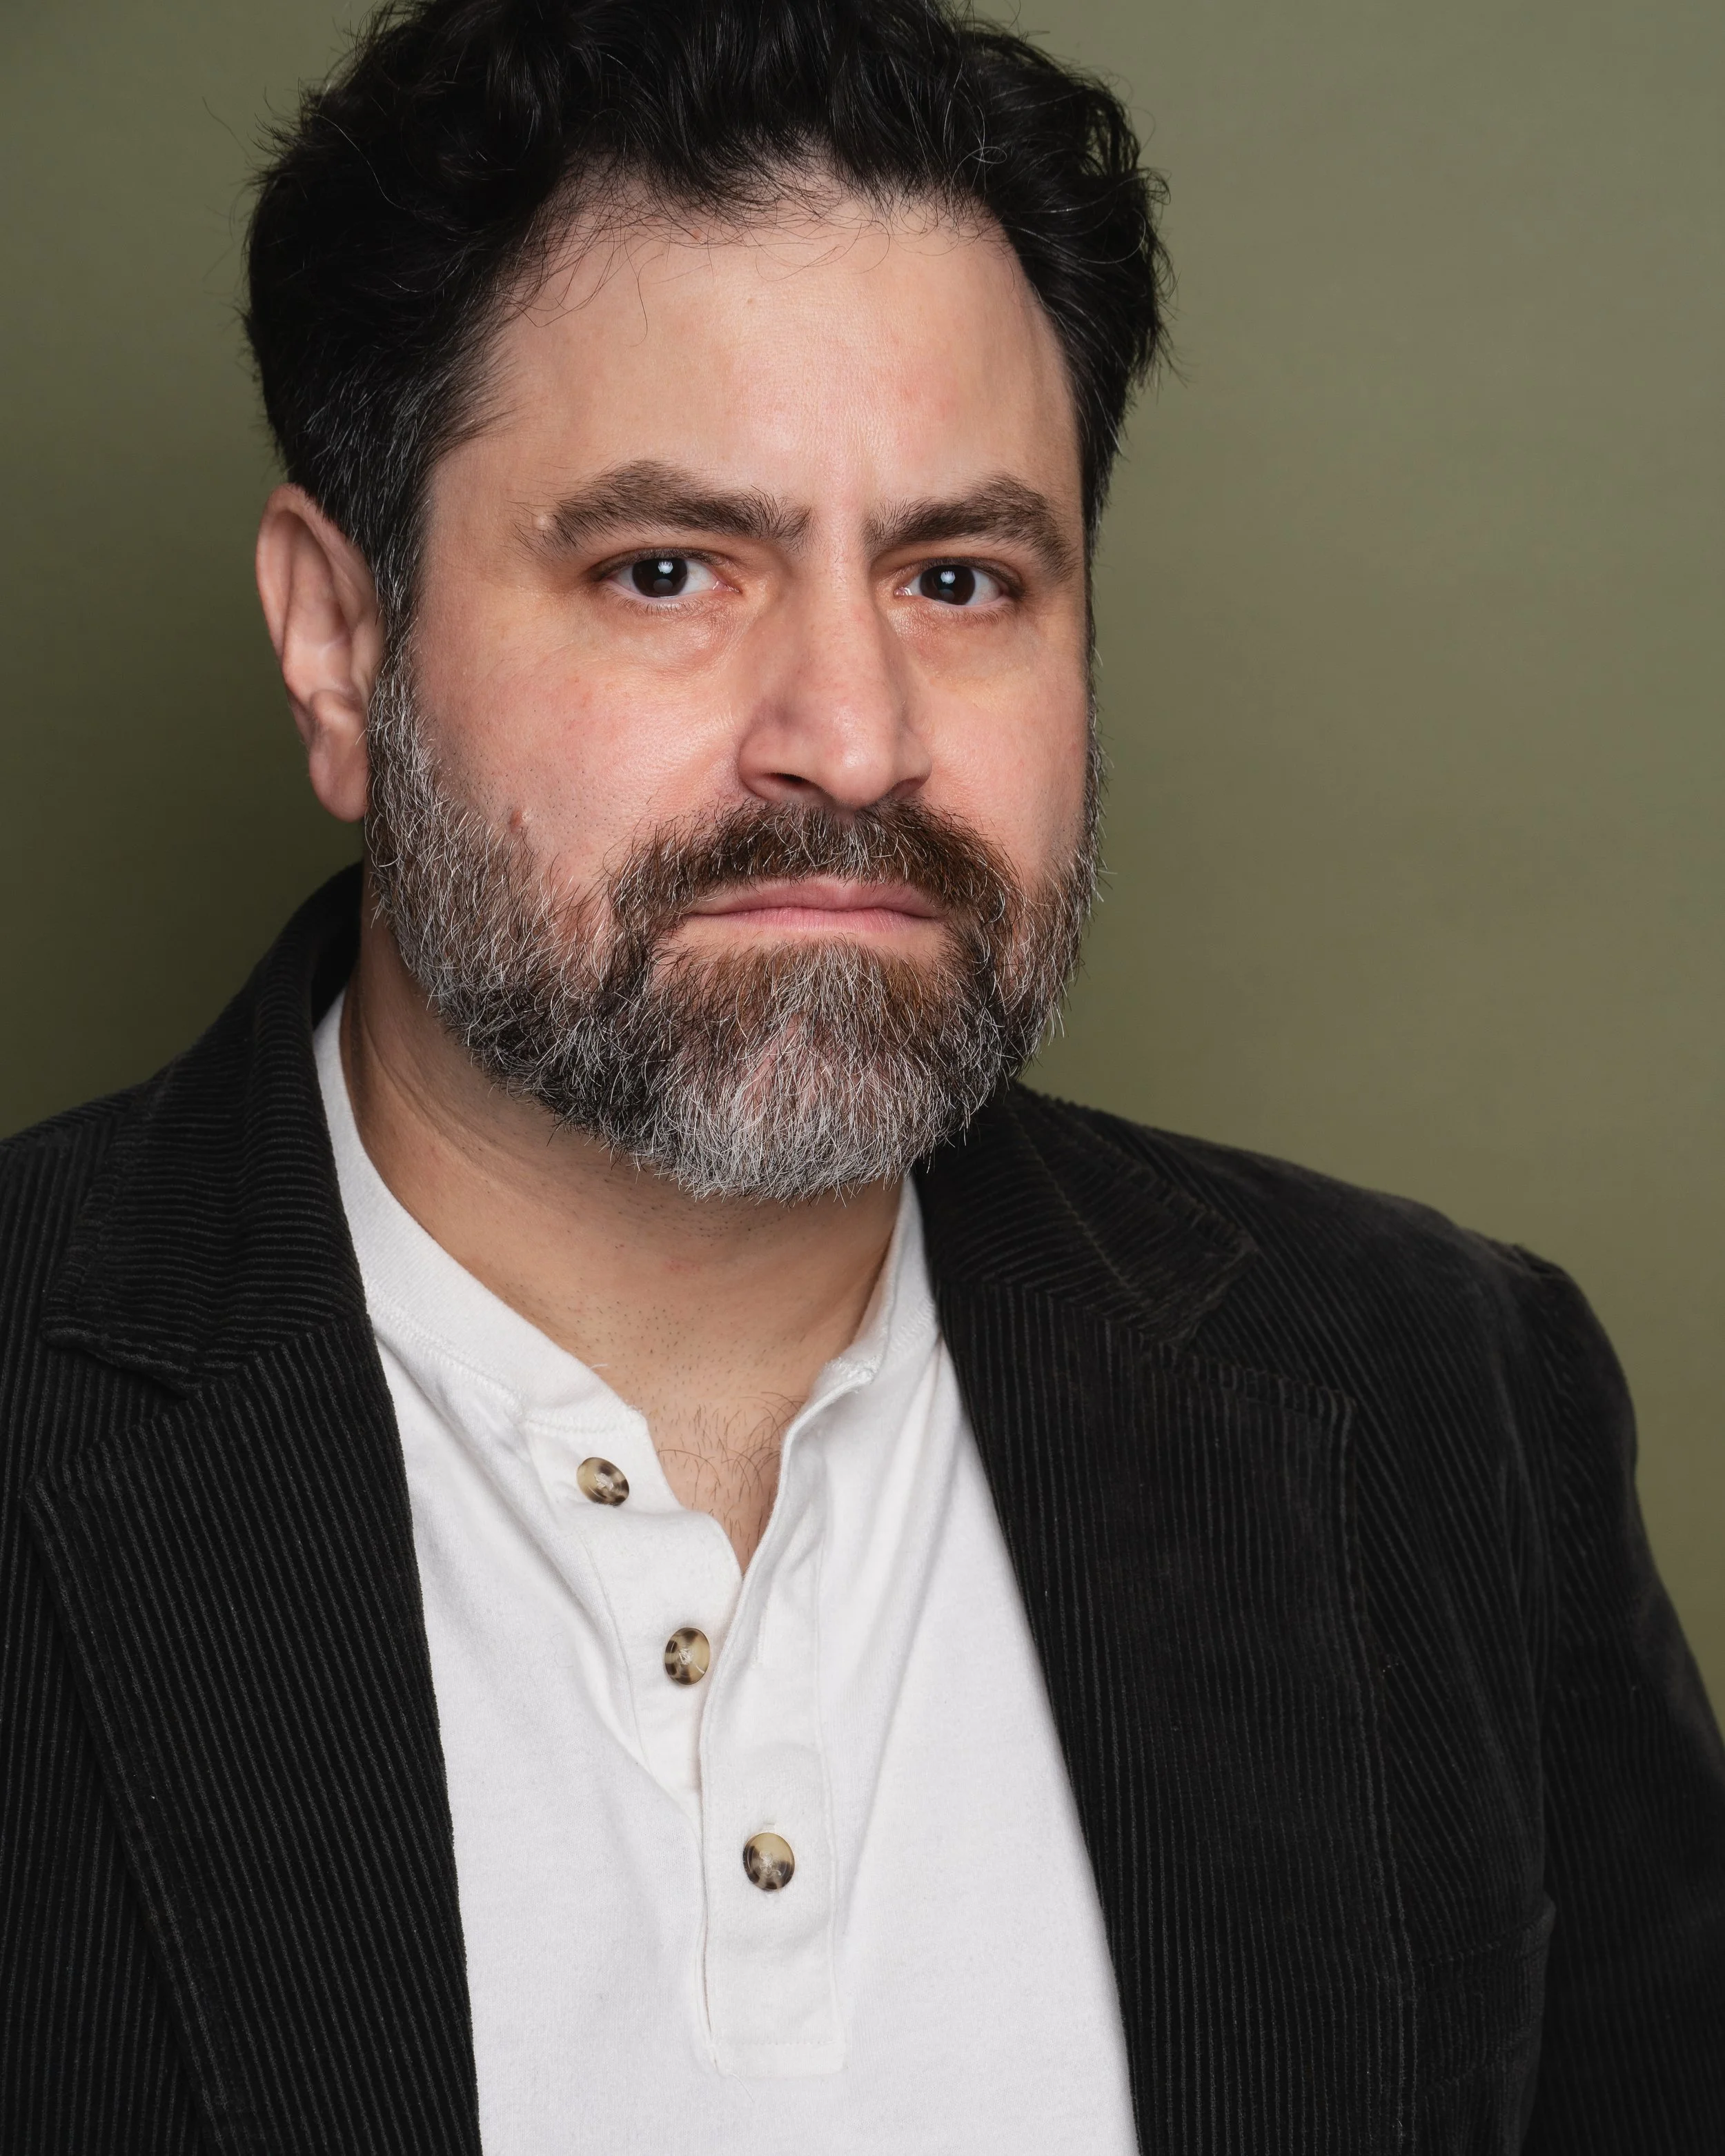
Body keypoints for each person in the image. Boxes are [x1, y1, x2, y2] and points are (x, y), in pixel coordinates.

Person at [1, 0, 1721, 2148]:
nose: (853, 732)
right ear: (338, 641)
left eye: (958, 576)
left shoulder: (1442, 1399)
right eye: (664, 568)